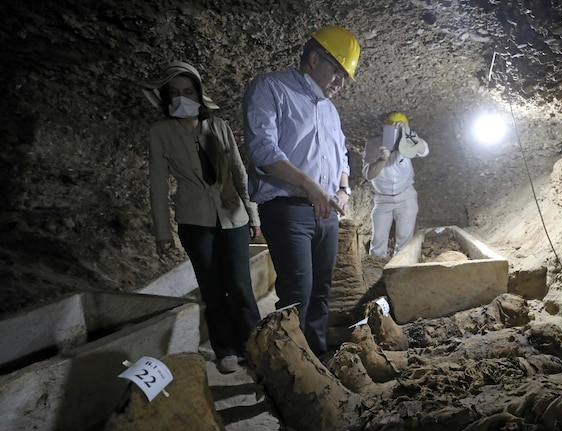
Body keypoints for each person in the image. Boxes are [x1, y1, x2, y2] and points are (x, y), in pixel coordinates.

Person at [241, 26, 360, 359]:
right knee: (298, 294)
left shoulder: (329, 110)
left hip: (326, 212)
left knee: (322, 292)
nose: (340, 81)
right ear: (313, 58)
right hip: (288, 208)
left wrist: (343, 188)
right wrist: (310, 186)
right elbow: (263, 152)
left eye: (344, 76)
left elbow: (341, 156)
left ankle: (318, 362)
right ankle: (291, 369)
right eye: (337, 70)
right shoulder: (271, 88)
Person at [143, 61, 261, 374]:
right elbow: (157, 184)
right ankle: (225, 348)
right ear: (167, 98)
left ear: (199, 92)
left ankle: (256, 345)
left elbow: (238, 171)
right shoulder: (161, 132)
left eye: (188, 90)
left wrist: (252, 213)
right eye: (175, 92)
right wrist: (162, 231)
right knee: (211, 288)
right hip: (195, 221)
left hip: (232, 215)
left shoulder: (218, 126)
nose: (182, 96)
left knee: (239, 285)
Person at [362, 112, 430, 258]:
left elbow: (424, 150)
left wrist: (409, 133)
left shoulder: (408, 142)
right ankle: (375, 275)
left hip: (406, 197)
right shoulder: (373, 144)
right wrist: (381, 160)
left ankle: (399, 274)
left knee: (404, 245)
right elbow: (368, 175)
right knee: (377, 244)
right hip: (383, 200)